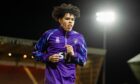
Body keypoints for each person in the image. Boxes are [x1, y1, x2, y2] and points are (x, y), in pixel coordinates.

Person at [32, 3, 87, 84]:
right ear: (60, 20)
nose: (70, 22)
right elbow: (35, 53)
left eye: (72, 19)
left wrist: (73, 55)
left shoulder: (79, 38)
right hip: (52, 81)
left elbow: (83, 61)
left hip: (70, 81)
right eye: (67, 19)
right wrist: (48, 58)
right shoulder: (49, 34)